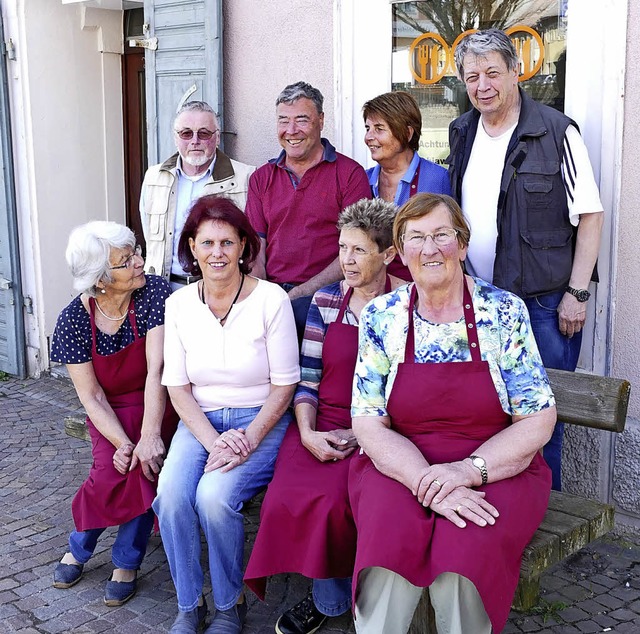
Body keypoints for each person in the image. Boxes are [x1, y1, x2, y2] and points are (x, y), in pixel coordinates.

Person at [348, 193, 556, 634]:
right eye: (416, 238)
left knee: (462, 563)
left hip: (495, 467)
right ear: (401, 253)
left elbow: (537, 419)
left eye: (442, 235)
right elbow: (367, 422)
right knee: (388, 554)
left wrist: (466, 471)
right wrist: (428, 481)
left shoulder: (503, 312)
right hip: (400, 466)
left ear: (461, 244)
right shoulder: (381, 316)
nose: (430, 248)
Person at [447, 28, 604, 490]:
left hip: (542, 306)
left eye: (493, 72)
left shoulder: (557, 132)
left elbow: (590, 216)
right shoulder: (462, 131)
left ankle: (543, 513)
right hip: (477, 303)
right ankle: (501, 516)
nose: (482, 85)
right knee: (484, 417)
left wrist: (576, 293)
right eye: (472, 76)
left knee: (541, 423)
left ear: (517, 71)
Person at [245, 199, 405, 634]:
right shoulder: (326, 301)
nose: (346, 261)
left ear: (388, 254)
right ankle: (330, 599)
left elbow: (407, 393)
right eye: (342, 248)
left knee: (339, 502)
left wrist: (362, 431)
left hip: (384, 425)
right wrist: (307, 432)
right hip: (319, 420)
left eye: (358, 251)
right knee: (284, 497)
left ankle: (348, 602)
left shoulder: (405, 306)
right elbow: (308, 380)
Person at [153, 195, 300, 634]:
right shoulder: (178, 304)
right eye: (207, 243)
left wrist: (250, 437)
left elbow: (285, 384)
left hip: (262, 419)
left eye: (227, 243)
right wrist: (213, 439)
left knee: (214, 498)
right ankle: (187, 604)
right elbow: (176, 387)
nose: (217, 253)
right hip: (200, 420)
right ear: (192, 249)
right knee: (173, 496)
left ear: (243, 247)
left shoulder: (271, 299)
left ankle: (227, 605)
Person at [50, 221, 177, 606]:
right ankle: (82, 543)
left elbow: (157, 370)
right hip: (110, 411)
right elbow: (91, 397)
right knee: (110, 472)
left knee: (144, 465)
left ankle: (126, 561)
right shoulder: (72, 321)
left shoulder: (154, 292)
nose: (140, 262)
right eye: (127, 260)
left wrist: (148, 436)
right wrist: (122, 441)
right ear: (102, 279)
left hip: (158, 401)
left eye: (136, 252)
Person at [245, 81, 372, 340]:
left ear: (321, 120)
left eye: (302, 120)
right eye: (283, 121)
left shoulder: (349, 175)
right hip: (273, 296)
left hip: (330, 296)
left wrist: (299, 293)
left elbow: (356, 250)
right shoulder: (261, 178)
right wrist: (265, 297)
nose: (291, 131)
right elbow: (255, 248)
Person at [140, 100, 255, 291]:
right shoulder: (154, 177)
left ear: (217, 137)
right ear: (176, 137)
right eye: (186, 133)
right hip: (164, 290)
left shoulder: (246, 177)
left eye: (204, 133)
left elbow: (250, 243)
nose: (195, 141)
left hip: (222, 290)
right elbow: (149, 235)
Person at [363, 91, 452, 281]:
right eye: (367, 128)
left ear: (407, 132)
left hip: (423, 287)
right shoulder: (363, 180)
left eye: (379, 128)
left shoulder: (438, 179)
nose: (368, 136)